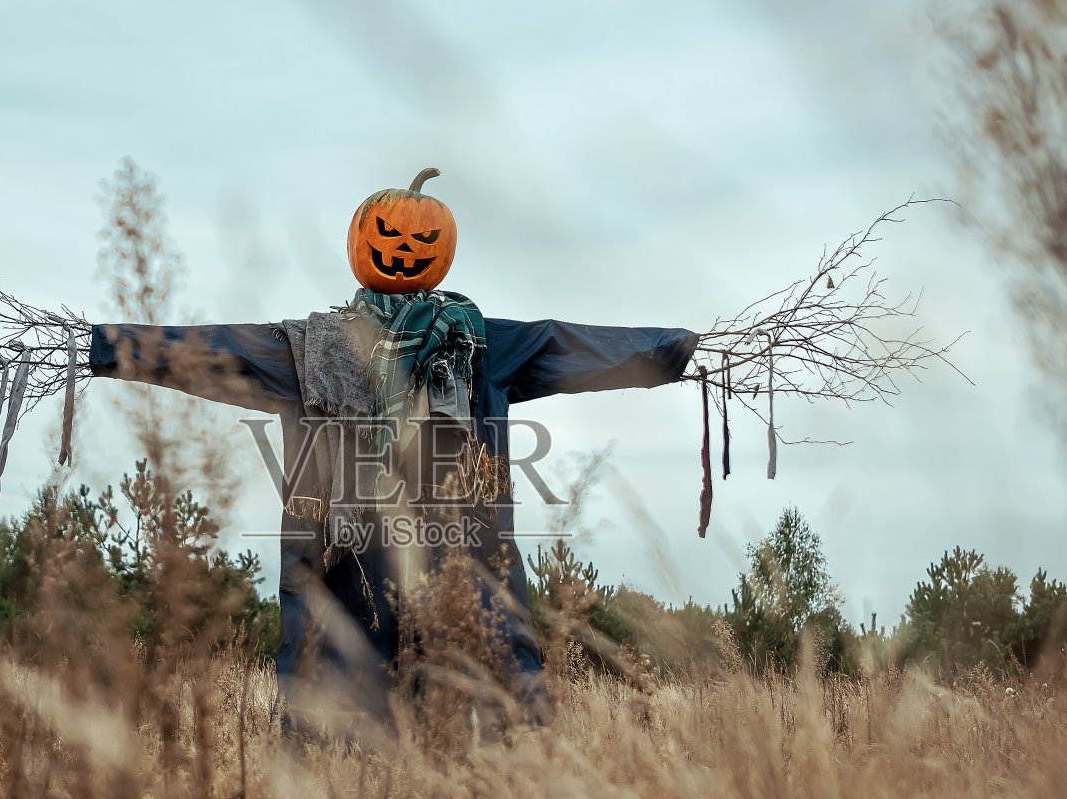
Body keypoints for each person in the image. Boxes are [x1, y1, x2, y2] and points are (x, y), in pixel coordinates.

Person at [88, 170, 699, 732]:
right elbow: (215, 350)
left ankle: (500, 797)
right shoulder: (313, 346)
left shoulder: (477, 344)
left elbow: (566, 343)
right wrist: (104, 346)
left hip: (458, 540)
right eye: (388, 234)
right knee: (335, 691)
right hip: (345, 544)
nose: (404, 248)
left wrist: (670, 350)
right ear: (363, 239)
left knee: (486, 683)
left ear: (441, 250)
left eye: (421, 239)